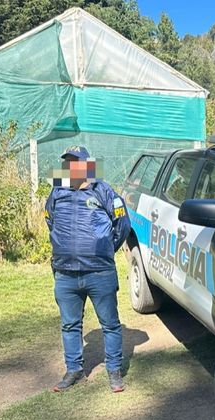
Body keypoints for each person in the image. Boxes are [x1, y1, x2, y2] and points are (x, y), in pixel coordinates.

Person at [44, 146, 131, 393]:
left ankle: (114, 371)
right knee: (69, 325)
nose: (71, 168)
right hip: (65, 273)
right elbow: (50, 220)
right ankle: (74, 370)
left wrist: (104, 249)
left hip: (99, 273)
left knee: (110, 324)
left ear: (87, 166)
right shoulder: (57, 191)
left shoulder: (104, 191)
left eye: (76, 163)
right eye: (67, 163)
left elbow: (123, 225)